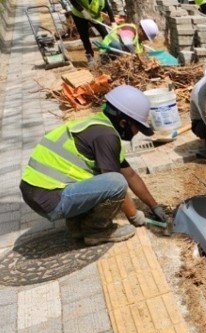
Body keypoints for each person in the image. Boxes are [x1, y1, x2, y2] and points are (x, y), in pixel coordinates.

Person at [19, 85, 168, 246]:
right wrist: (134, 216)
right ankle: (96, 231)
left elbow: (130, 174)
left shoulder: (97, 126)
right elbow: (116, 184)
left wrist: (154, 206)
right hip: (51, 200)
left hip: (36, 193)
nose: (137, 133)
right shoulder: (106, 137)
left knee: (100, 180)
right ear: (124, 122)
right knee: (115, 182)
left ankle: (77, 226)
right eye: (137, 127)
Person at [68, 0, 116, 66]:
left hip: (94, 16)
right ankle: (89, 55)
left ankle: (106, 54)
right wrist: (83, 11)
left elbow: (108, 7)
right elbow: (72, 1)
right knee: (84, 36)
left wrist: (113, 22)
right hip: (79, 15)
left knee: (105, 33)